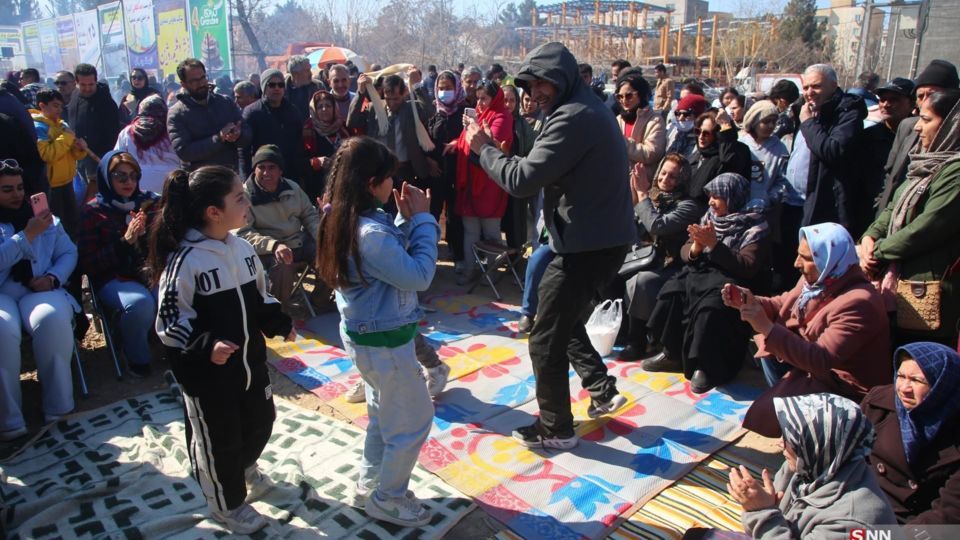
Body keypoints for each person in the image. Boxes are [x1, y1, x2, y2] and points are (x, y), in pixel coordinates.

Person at [464, 42, 634, 449]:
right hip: (592, 239)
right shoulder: (581, 108)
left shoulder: (572, 117)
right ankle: (601, 386)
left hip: (586, 245)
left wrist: (483, 148)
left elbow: (523, 180)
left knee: (544, 338)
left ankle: (556, 428)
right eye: (529, 86)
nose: (534, 94)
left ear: (560, 79)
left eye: (541, 85)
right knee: (560, 317)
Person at [151, 165, 294, 533]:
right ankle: (227, 504)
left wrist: (277, 321)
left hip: (251, 367)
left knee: (261, 422)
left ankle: (244, 468)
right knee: (220, 442)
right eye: (239, 198)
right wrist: (205, 346)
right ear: (213, 212)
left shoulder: (243, 249)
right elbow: (169, 323)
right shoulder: (185, 262)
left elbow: (260, 297)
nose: (247, 202)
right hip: (208, 379)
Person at [315, 137, 438, 527]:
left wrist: (404, 220)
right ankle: (389, 497)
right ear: (371, 183)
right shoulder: (370, 234)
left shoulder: (345, 217)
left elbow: (387, 264)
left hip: (366, 339)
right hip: (386, 345)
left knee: (383, 418)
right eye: (388, 178)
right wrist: (423, 221)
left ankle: (370, 485)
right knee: (414, 420)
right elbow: (418, 275)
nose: (393, 185)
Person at [730, 223, 890, 437]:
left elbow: (821, 359)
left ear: (830, 258)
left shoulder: (859, 303)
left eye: (806, 258)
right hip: (815, 367)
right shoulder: (820, 279)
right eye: (799, 255)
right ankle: (792, 419)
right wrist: (750, 301)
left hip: (844, 387)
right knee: (769, 344)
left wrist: (766, 327)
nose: (797, 264)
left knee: (770, 339)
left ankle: (814, 433)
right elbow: (783, 303)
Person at [647, 173, 771, 393]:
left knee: (710, 308)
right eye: (710, 196)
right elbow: (686, 250)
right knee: (673, 291)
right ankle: (672, 353)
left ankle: (707, 366)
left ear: (733, 197)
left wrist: (714, 245)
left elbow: (747, 265)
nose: (711, 201)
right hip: (701, 273)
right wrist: (695, 248)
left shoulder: (755, 225)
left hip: (731, 279)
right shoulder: (709, 218)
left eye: (717, 196)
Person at [860, 88, 960, 347]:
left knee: (920, 367)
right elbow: (892, 208)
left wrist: (877, 252)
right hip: (898, 284)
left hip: (929, 293)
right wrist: (870, 236)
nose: (918, 128)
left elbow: (927, 227)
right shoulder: (923, 164)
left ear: (952, 125)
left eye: (927, 120)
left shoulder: (955, 172)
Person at [730, 393, 898, 538]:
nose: (781, 443)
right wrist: (759, 506)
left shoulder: (853, 522)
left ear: (819, 444)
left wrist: (761, 512)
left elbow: (765, 519)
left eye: (791, 438)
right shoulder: (811, 466)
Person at [0, 161, 79, 441]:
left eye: (20, 187)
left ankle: (59, 408)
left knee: (52, 319)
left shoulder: (44, 217)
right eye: (7, 189)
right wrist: (26, 236)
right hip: (2, 294)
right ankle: (9, 419)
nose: (16, 194)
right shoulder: (29, 226)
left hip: (40, 288)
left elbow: (69, 253)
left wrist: (54, 277)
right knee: (2, 330)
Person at [76, 151, 159, 378]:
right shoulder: (93, 211)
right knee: (139, 303)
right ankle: (136, 358)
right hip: (112, 276)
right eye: (120, 176)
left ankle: (170, 350)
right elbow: (88, 263)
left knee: (169, 293)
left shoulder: (148, 203)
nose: (129, 182)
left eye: (133, 176)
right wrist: (125, 241)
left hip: (147, 271)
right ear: (106, 177)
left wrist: (147, 237)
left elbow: (165, 245)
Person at [861, 342, 960, 524]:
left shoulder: (953, 431)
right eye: (900, 376)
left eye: (917, 380)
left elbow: (950, 513)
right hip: (866, 508)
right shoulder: (878, 405)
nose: (904, 388)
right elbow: (853, 459)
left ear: (942, 384)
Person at [620, 154, 703, 360]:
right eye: (663, 173)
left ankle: (636, 341)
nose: (665, 179)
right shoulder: (651, 197)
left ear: (682, 180)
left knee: (641, 282)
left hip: (670, 265)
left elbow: (658, 226)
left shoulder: (688, 206)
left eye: (673, 177)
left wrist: (641, 194)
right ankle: (618, 331)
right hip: (643, 257)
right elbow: (631, 226)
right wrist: (634, 193)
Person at [236, 145, 319, 306]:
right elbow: (243, 232)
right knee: (283, 266)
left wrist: (321, 236)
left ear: (280, 171)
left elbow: (309, 214)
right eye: (261, 167)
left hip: (298, 241)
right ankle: (278, 311)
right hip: (268, 249)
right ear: (255, 170)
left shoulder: (293, 187)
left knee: (328, 255)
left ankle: (319, 303)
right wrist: (273, 246)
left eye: (272, 167)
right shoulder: (245, 195)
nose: (266, 173)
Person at [347, 74, 440, 215]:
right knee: (381, 209)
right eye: (388, 98)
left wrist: (416, 85)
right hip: (380, 171)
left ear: (403, 94)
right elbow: (352, 122)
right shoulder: (374, 109)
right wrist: (360, 93)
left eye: (396, 98)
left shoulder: (410, 109)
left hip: (405, 170)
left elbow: (430, 111)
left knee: (405, 211)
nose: (392, 103)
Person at [875, 60, 959, 215]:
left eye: (932, 95)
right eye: (921, 96)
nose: (925, 102)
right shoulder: (907, 127)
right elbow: (890, 176)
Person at [454, 80, 513, 285]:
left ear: (494, 99)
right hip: (470, 183)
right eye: (477, 98)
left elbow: (488, 146)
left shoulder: (502, 117)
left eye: (484, 98)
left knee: (491, 233)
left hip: (490, 185)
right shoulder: (479, 118)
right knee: (470, 230)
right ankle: (471, 271)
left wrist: (474, 126)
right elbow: (467, 143)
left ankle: (492, 273)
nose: (479, 103)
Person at [796, 64, 866, 228]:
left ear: (834, 85)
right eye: (806, 87)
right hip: (796, 201)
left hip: (825, 205)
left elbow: (832, 151)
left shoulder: (847, 113)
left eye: (816, 86)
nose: (809, 92)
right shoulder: (807, 111)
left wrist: (808, 123)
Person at [850, 77, 916, 239]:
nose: (886, 104)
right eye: (883, 99)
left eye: (894, 100)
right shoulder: (867, 138)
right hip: (866, 216)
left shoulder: (921, 139)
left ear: (912, 103)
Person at [167, 58, 250, 172]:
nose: (201, 83)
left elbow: (247, 134)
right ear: (184, 84)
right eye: (194, 81)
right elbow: (185, 152)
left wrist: (238, 135)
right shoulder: (177, 114)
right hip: (199, 181)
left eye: (203, 78)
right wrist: (219, 137)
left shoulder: (225, 103)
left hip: (230, 176)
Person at [33, 89, 88, 236]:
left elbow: (74, 156)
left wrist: (80, 148)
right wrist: (66, 138)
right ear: (42, 106)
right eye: (55, 105)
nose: (59, 109)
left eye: (60, 106)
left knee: (73, 221)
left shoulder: (62, 125)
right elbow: (47, 155)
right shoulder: (39, 128)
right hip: (52, 185)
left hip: (67, 181)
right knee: (58, 225)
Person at [428, 70, 467, 270]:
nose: (444, 93)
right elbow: (426, 142)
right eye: (441, 89)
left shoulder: (464, 114)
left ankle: (458, 256)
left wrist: (458, 143)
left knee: (455, 215)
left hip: (456, 172)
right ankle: (429, 256)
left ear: (457, 88)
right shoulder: (434, 113)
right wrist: (429, 161)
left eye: (449, 88)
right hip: (436, 173)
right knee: (433, 213)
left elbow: (471, 138)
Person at [66, 63, 122, 200]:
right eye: (83, 85)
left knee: (95, 197)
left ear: (96, 81)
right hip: (77, 155)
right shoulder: (75, 96)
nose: (87, 88)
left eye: (91, 84)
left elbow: (113, 134)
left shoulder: (106, 102)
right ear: (76, 82)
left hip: (98, 158)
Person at [242, 68, 307, 183]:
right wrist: (247, 179)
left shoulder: (293, 111)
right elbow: (244, 150)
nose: (277, 88)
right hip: (263, 176)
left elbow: (298, 146)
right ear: (263, 87)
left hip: (290, 175)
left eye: (280, 85)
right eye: (271, 85)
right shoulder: (252, 113)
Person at [113, 95, 180, 194]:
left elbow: (116, 159)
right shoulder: (174, 130)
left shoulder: (127, 132)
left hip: (137, 187)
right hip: (171, 186)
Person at [687, 109, 753, 206]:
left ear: (717, 135)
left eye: (706, 133)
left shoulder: (736, 151)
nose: (701, 137)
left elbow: (729, 160)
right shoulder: (698, 154)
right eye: (698, 131)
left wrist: (725, 126)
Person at [500, 84, 539, 249]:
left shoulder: (523, 125)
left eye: (512, 100)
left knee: (515, 222)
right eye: (504, 100)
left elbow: (531, 152)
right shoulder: (494, 120)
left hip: (516, 177)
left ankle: (515, 259)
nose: (508, 104)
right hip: (497, 178)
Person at [615, 69, 665, 183]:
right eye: (620, 97)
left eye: (629, 96)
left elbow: (651, 153)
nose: (624, 100)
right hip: (617, 181)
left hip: (641, 184)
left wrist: (621, 142)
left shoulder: (655, 120)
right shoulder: (618, 119)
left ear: (641, 95)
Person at [739, 100, 789, 207]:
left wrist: (770, 198)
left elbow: (783, 179)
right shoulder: (741, 144)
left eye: (774, 121)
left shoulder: (779, 147)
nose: (771, 126)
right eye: (766, 122)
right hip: (740, 207)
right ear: (754, 122)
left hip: (766, 209)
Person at [303, 90, 349, 202]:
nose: (324, 109)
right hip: (318, 185)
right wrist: (316, 162)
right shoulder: (307, 130)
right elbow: (299, 160)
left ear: (334, 108)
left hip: (343, 183)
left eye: (328, 105)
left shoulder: (343, 128)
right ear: (314, 110)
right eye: (320, 107)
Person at [665, 93, 708, 161]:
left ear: (698, 116)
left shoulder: (702, 138)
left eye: (686, 114)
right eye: (678, 114)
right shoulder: (672, 131)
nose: (681, 118)